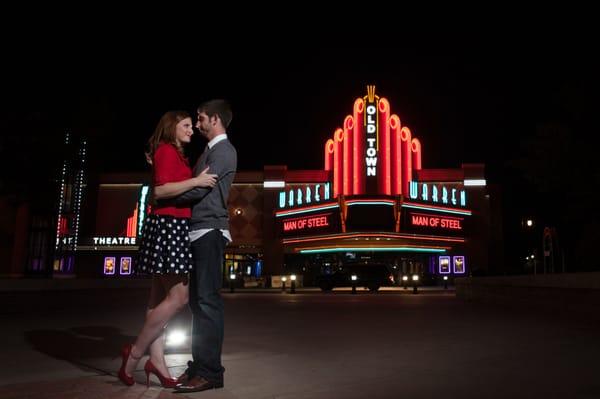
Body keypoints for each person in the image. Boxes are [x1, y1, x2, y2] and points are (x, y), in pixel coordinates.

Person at [118, 111, 217, 387]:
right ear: (172, 127)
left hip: (172, 226)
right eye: (186, 125)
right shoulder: (164, 150)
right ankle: (135, 353)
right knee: (179, 298)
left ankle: (157, 360)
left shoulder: (174, 153)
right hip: (169, 226)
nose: (191, 130)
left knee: (156, 300)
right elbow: (160, 191)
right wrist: (196, 182)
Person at [172, 100, 237, 393]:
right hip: (198, 231)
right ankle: (200, 366)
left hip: (210, 231)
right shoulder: (208, 152)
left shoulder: (224, 151)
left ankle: (211, 372)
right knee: (198, 304)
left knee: (208, 303)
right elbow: (193, 182)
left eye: (200, 119)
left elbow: (198, 188)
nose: (197, 125)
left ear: (215, 119)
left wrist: (165, 195)